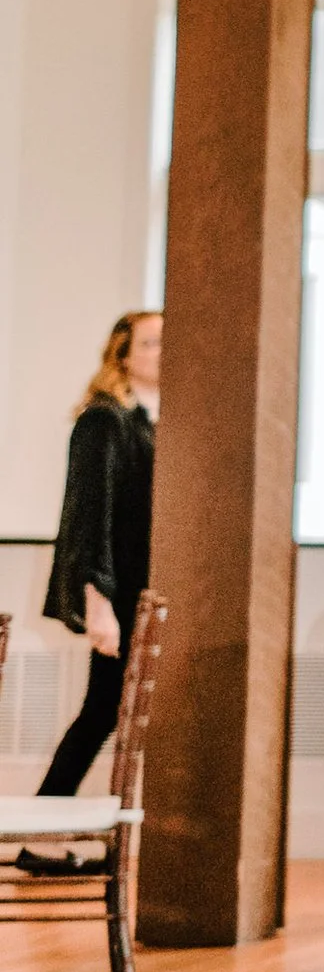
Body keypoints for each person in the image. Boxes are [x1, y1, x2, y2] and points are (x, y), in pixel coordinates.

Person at [18, 311, 161, 876]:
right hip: (117, 596)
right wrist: (97, 604)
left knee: (104, 714)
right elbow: (88, 517)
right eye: (151, 343)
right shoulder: (105, 421)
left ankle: (43, 836)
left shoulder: (147, 423)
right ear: (122, 355)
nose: (163, 352)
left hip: (137, 594)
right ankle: (38, 837)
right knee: (101, 713)